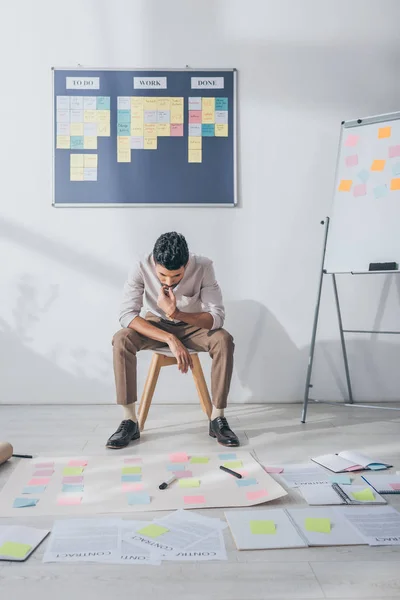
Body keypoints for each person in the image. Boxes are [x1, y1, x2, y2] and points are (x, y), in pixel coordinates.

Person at [107, 231, 239, 449]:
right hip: (155, 326)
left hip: (193, 326)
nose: (169, 281)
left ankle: (217, 419)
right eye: (162, 275)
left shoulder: (203, 266)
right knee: (121, 339)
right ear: (154, 262)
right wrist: (169, 338)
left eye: (176, 276)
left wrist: (177, 314)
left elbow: (217, 317)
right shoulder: (141, 266)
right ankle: (129, 421)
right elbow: (127, 314)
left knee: (224, 340)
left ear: (186, 264)